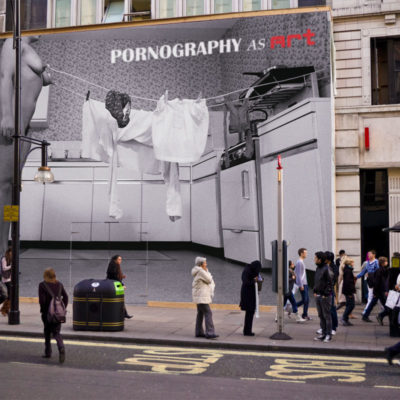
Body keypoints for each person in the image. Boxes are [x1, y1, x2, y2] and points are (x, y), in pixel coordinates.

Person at [0, 37, 52, 256]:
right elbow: (5, 77)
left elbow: (25, 82)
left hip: (23, 130)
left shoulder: (27, 48)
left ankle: (6, 249)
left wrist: (43, 77)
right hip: (11, 128)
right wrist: (6, 117)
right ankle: (1, 252)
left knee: (12, 188)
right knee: (4, 188)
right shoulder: (14, 41)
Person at [38, 268, 68, 363]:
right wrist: (62, 308)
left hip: (47, 313)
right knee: (56, 332)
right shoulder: (59, 284)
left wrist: (43, 311)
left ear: (45, 276)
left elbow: (42, 301)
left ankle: (48, 352)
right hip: (58, 314)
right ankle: (61, 347)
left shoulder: (42, 285)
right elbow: (66, 297)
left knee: (47, 331)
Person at [192, 256, 218, 339]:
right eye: (205, 262)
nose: (206, 264)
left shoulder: (200, 271)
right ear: (201, 264)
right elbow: (209, 279)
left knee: (200, 313)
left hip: (200, 296)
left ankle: (199, 332)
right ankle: (210, 333)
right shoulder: (201, 271)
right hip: (201, 296)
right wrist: (207, 271)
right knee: (208, 313)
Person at [362, 256, 390, 324]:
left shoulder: (382, 270)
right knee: (387, 306)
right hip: (380, 291)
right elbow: (376, 282)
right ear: (383, 263)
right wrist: (375, 292)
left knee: (373, 303)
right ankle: (381, 316)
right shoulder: (379, 270)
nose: (387, 262)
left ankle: (366, 316)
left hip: (380, 291)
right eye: (386, 261)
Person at [313, 252, 333, 342]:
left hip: (325, 296)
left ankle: (328, 334)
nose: (314, 259)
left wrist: (325, 294)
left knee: (327, 316)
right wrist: (314, 291)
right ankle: (323, 333)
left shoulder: (327, 269)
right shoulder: (318, 268)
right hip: (318, 295)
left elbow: (330, 283)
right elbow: (317, 281)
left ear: (320, 259)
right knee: (321, 315)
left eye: (315, 258)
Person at [106, 255, 132, 319]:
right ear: (115, 260)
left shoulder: (114, 265)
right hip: (114, 285)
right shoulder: (114, 266)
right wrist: (122, 285)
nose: (120, 261)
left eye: (121, 259)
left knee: (120, 299)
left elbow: (115, 277)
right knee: (119, 299)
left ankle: (124, 314)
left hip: (114, 284)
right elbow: (115, 277)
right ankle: (123, 314)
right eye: (119, 259)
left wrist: (122, 277)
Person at [240, 260, 262, 335]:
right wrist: (254, 280)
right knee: (249, 312)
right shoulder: (247, 271)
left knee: (250, 312)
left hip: (251, 294)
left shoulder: (251, 270)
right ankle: (247, 331)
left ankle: (247, 330)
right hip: (247, 294)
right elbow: (246, 281)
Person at [295, 248, 311, 320]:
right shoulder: (299, 262)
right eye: (305, 253)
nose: (306, 254)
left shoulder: (301, 262)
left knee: (306, 300)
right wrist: (301, 285)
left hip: (305, 283)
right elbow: (298, 274)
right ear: (301, 253)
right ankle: (293, 307)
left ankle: (304, 314)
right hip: (303, 284)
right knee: (305, 300)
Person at [341, 257, 356, 326]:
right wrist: (349, 292)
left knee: (349, 305)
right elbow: (347, 282)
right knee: (351, 305)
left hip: (348, 290)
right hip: (348, 291)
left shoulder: (348, 270)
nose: (353, 263)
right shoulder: (348, 271)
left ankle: (346, 319)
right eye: (352, 262)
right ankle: (344, 318)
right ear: (349, 263)